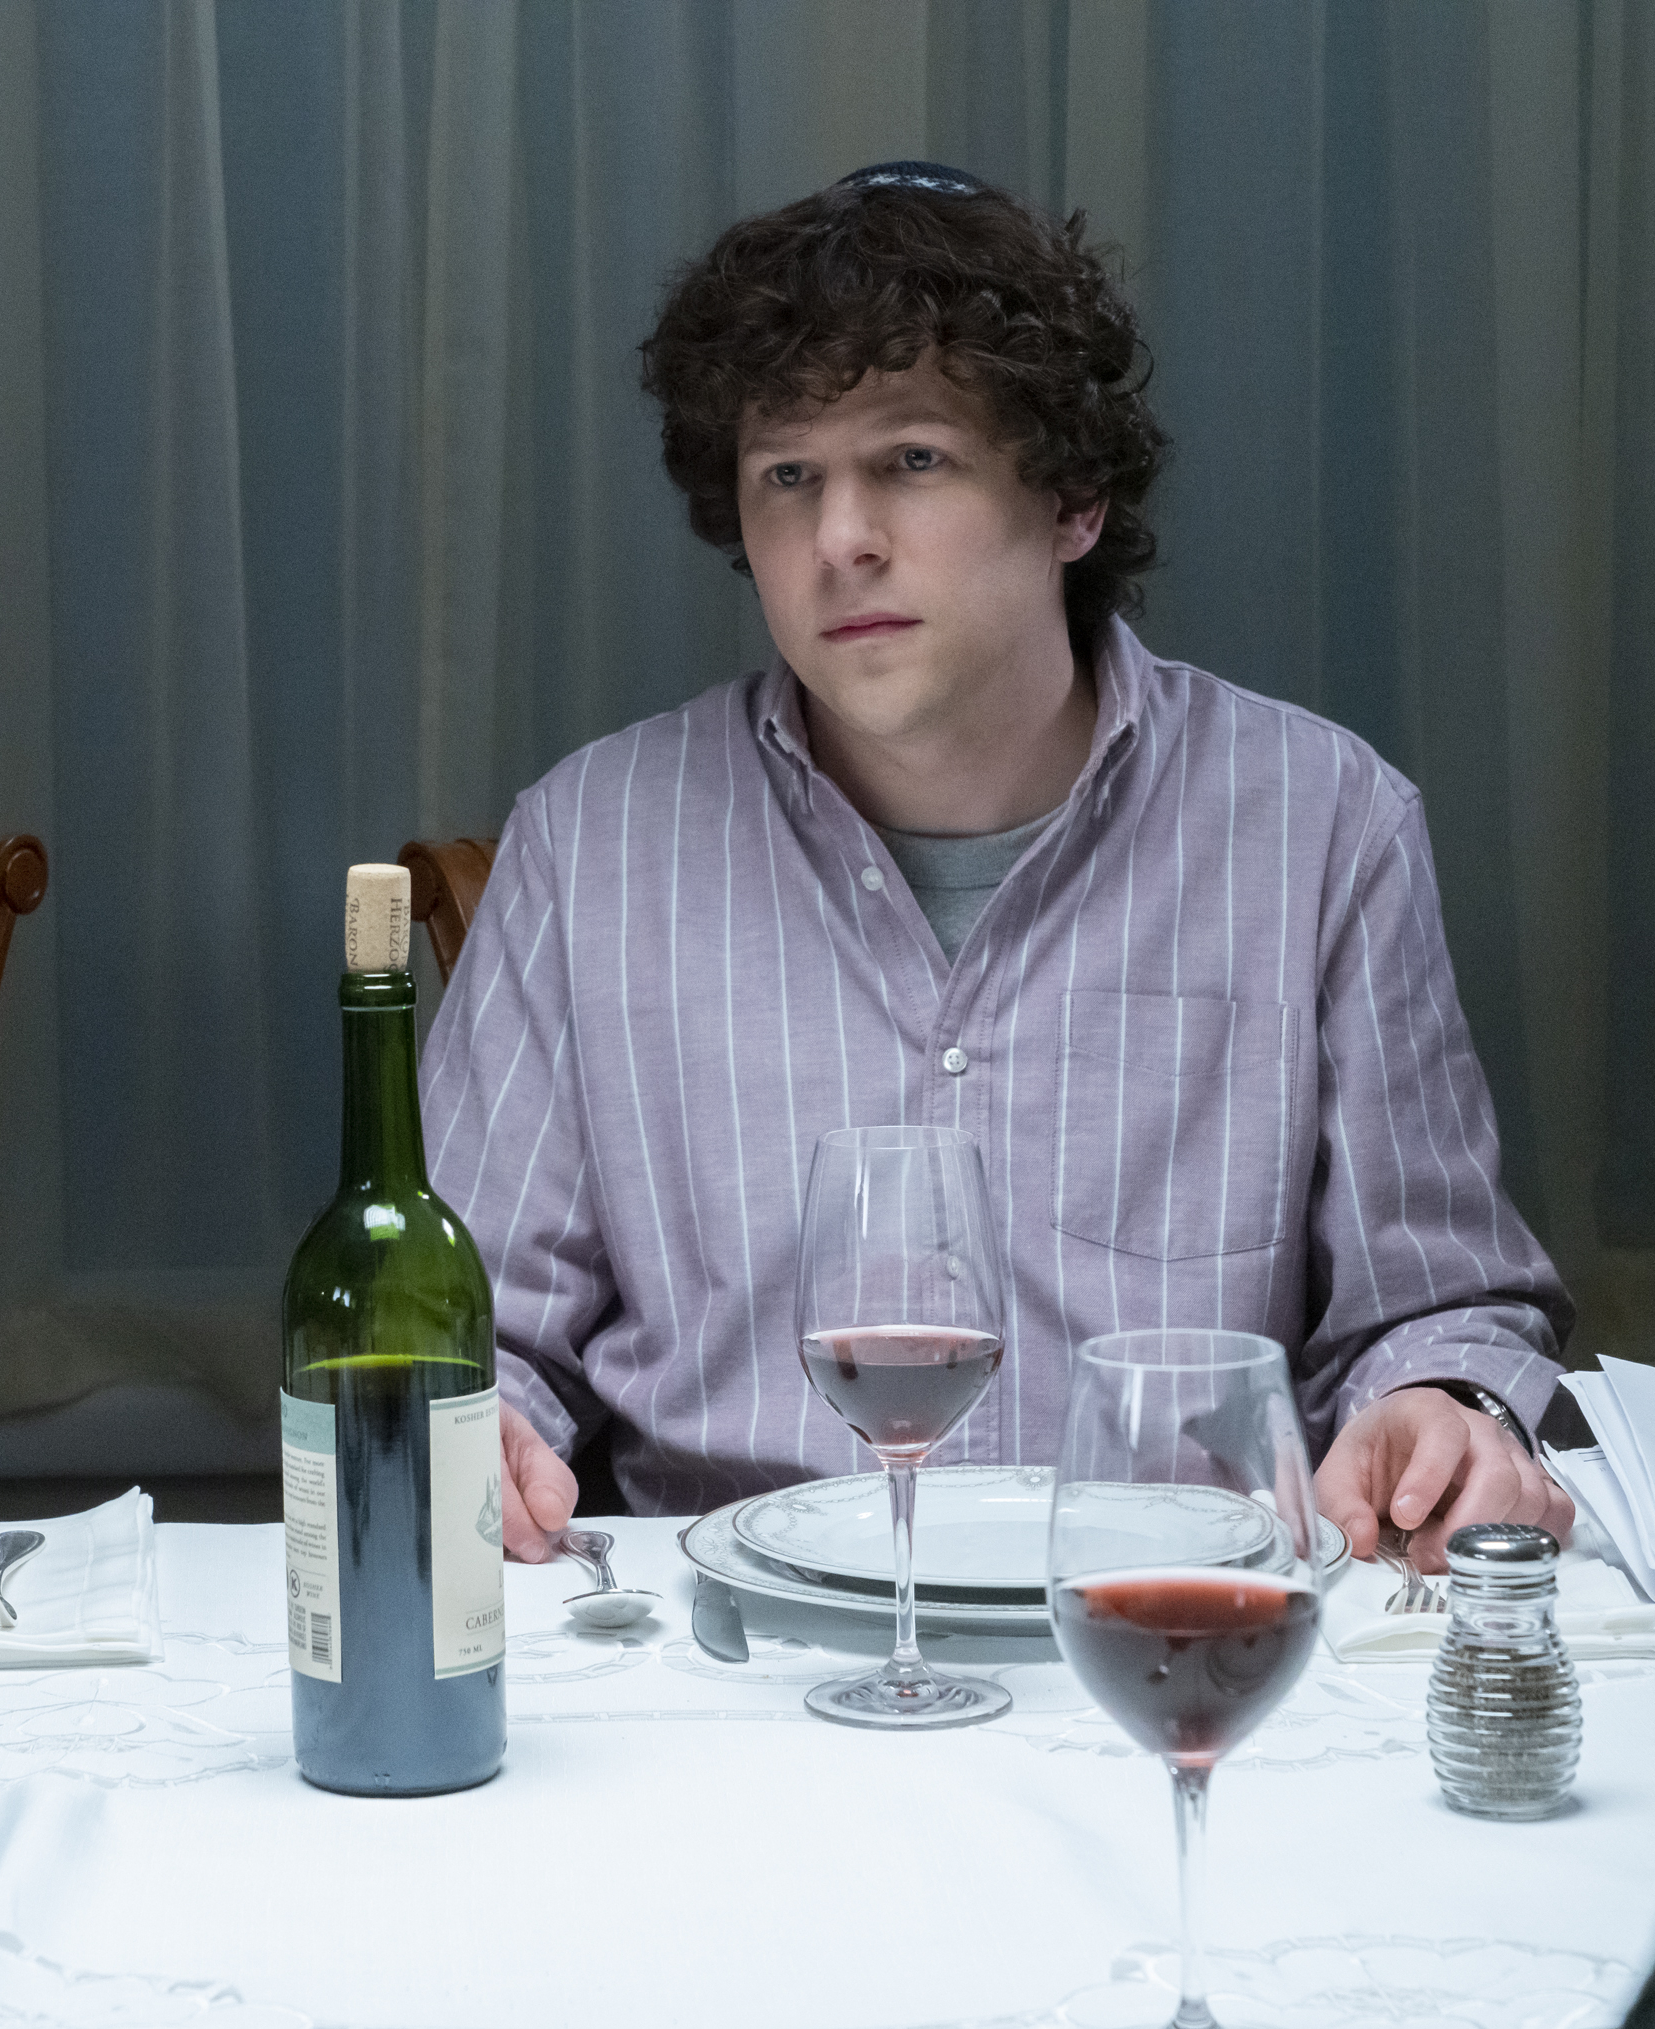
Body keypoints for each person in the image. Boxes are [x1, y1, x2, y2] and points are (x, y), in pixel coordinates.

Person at [422, 163, 1575, 1574]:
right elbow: (464, 1333)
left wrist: (1446, 1406)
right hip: (730, 1648)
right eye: (787, 476)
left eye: (911, 460)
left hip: (1172, 1622)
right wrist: (467, 1425)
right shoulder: (588, 844)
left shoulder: (1322, 823)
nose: (839, 540)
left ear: (1072, 498)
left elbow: (1436, 1302)